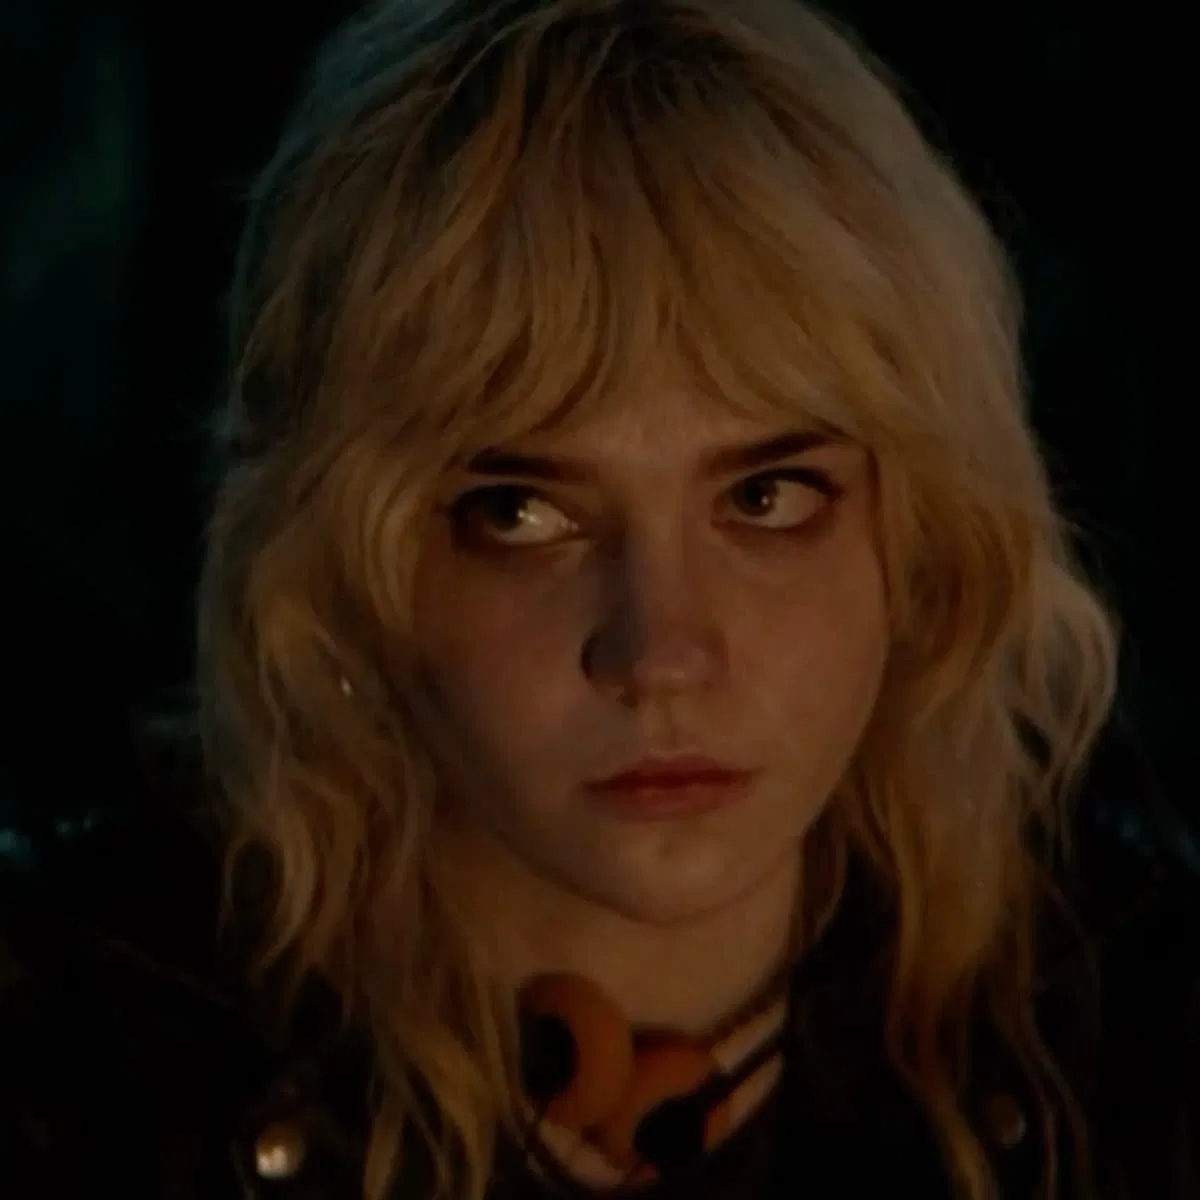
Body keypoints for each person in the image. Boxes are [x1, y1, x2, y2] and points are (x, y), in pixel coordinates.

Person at [1, 1, 1197, 1197]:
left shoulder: (1132, 1014)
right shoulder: (78, 1046)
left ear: (925, 536)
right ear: (344, 569)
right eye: (522, 514)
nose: (662, 652)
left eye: (766, 497)